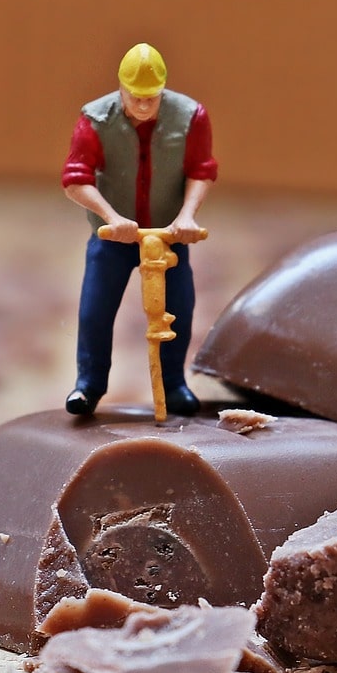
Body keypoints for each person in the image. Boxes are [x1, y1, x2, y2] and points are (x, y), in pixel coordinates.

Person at [61, 42, 218, 416]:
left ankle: (173, 385)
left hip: (168, 236)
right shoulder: (95, 119)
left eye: (153, 98)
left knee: (178, 309)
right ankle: (89, 386)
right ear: (121, 88)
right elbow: (75, 179)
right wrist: (111, 218)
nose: (145, 106)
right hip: (114, 239)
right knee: (95, 310)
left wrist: (187, 216)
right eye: (137, 98)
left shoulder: (191, 116)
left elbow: (201, 169)